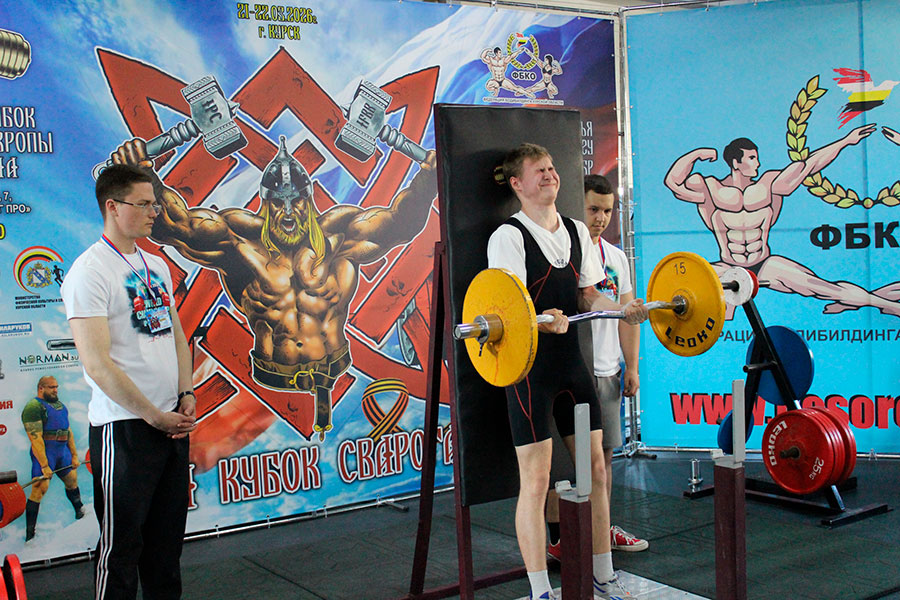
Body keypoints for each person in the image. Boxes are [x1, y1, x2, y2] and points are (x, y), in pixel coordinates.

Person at [107, 137, 437, 439]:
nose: (289, 212)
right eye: (279, 202)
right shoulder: (239, 241)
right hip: (266, 393)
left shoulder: (339, 235)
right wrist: (144, 174)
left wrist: (428, 179)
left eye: (298, 201)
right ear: (265, 203)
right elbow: (175, 226)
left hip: (339, 380)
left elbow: (400, 223)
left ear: (309, 200)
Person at [487, 143, 648, 600]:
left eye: (552, 168)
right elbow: (507, 308)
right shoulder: (508, 236)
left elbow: (588, 294)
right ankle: (541, 590)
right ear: (517, 183)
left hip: (571, 366)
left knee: (595, 470)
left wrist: (620, 309)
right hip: (528, 371)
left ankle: (603, 573)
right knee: (537, 482)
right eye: (539, 170)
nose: (550, 175)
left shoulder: (576, 230)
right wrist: (541, 319)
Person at [61, 164, 197, 599]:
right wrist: (153, 415)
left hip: (170, 424)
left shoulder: (155, 264)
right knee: (120, 550)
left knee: (166, 550)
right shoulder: (89, 272)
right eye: (143, 204)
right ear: (113, 207)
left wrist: (186, 392)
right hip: (124, 428)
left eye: (154, 204)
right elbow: (97, 364)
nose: (154, 212)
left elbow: (176, 335)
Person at [663, 123, 900, 318]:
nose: (758, 163)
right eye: (752, 158)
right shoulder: (710, 188)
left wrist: (845, 141)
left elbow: (808, 166)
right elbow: (673, 183)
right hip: (728, 267)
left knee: (823, 288)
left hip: (764, 264)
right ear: (736, 163)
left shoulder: (769, 184)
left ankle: (888, 305)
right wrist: (696, 154)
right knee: (689, 294)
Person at [545, 175, 647, 561]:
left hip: (605, 371)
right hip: (567, 372)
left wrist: (631, 367)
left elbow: (628, 316)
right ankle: (560, 540)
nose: (601, 218)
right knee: (560, 465)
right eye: (593, 209)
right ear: (578, 206)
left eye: (607, 211)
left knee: (602, 460)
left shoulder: (616, 258)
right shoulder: (558, 254)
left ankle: (600, 531)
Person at [20, 375, 86, 542]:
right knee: (39, 488)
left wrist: (74, 455)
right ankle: (30, 536)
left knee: (72, 481)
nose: (55, 390)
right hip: (46, 452)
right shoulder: (33, 407)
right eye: (51, 387)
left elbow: (68, 431)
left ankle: (81, 513)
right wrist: (44, 465)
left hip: (62, 452)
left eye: (56, 387)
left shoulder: (60, 406)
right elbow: (35, 438)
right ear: (41, 388)